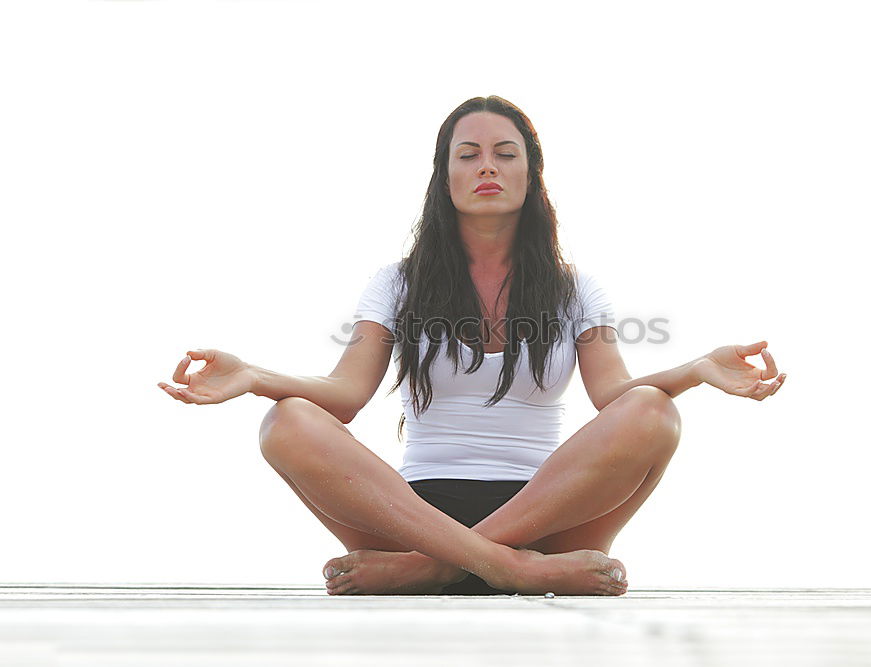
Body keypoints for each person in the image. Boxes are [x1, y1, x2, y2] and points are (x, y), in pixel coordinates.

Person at [158, 95, 787, 597]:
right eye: (469, 154)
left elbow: (615, 397)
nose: (487, 166)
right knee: (286, 421)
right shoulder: (398, 283)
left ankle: (431, 571)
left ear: (530, 173)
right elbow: (344, 396)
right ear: (445, 175)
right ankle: (506, 569)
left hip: (548, 513)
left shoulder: (574, 290)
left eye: (505, 153)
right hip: (411, 512)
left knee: (655, 411)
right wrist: (252, 376)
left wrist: (698, 369)